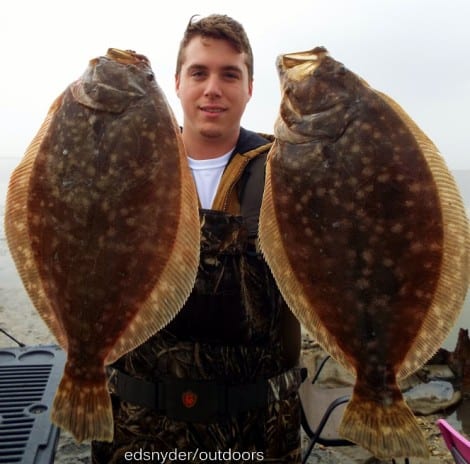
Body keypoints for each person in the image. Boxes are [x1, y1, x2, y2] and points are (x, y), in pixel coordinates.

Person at [92, 14, 302, 463]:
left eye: (230, 74)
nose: (213, 88)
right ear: (177, 83)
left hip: (259, 432)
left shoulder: (290, 176)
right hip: (136, 427)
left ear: (249, 88)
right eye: (199, 72)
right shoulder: (124, 168)